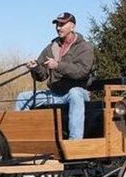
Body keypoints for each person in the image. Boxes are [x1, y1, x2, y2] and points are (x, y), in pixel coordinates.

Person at [15, 12, 95, 140]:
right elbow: (42, 76)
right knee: (22, 98)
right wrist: (35, 67)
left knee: (75, 93)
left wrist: (58, 65)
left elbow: (82, 71)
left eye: (62, 24)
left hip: (78, 92)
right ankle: (24, 138)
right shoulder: (51, 48)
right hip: (55, 94)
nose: (58, 27)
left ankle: (75, 141)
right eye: (57, 24)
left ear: (72, 26)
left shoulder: (85, 48)